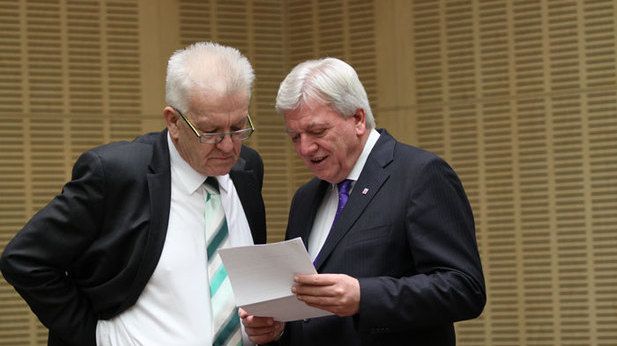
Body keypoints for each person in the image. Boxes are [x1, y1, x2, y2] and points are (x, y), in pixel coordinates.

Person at [0, 42, 267, 346]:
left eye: (238, 127)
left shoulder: (247, 171)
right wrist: (94, 336)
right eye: (210, 131)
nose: (228, 145)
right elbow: (24, 259)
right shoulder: (116, 175)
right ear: (174, 121)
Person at [241, 57, 486, 345]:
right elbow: (307, 309)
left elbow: (464, 288)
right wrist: (278, 328)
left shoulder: (419, 175)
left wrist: (364, 297)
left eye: (317, 131)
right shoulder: (305, 198)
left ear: (357, 119)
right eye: (295, 136)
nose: (305, 148)